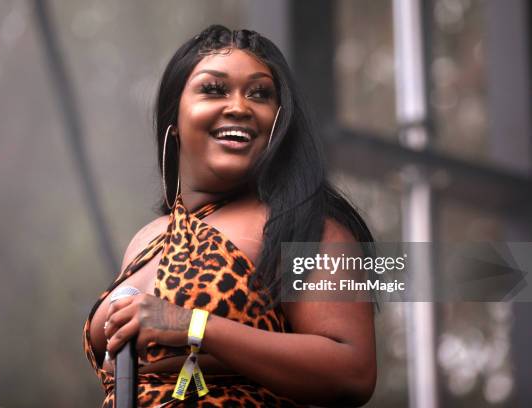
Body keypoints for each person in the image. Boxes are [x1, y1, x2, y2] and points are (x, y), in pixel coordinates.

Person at [82, 24, 376, 407]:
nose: (240, 106)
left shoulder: (306, 223)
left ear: (279, 122)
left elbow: (352, 372)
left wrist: (192, 326)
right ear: (176, 117)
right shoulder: (147, 239)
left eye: (260, 93)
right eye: (214, 89)